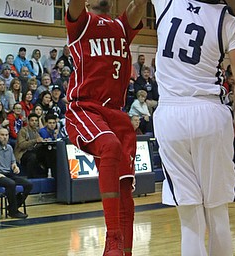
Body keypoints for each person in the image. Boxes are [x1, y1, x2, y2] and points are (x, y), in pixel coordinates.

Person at [151, 1, 235, 255]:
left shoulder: (168, 2)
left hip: (169, 115)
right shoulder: (229, 21)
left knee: (189, 216)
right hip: (210, 113)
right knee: (217, 212)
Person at [66, 1, 146, 256]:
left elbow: (138, 5)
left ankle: (125, 252)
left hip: (116, 113)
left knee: (126, 192)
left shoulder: (121, 25)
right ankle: (112, 238)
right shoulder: (82, 22)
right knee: (109, 145)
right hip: (85, 107)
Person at [0, 128, 32, 218]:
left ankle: (13, 206)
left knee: (28, 184)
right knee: (11, 183)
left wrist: (15, 166)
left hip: (7, 174)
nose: (5, 137)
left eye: (6, 135)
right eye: (2, 135)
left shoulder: (9, 148)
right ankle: (14, 212)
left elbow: (12, 161)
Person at [14, 113, 46, 178]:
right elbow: (21, 145)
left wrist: (43, 141)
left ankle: (45, 175)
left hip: (32, 152)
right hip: (22, 154)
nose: (34, 122)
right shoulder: (23, 131)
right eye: (32, 120)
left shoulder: (36, 131)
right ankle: (30, 178)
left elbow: (38, 143)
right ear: (28, 121)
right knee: (32, 157)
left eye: (36, 121)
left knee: (45, 153)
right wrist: (35, 141)